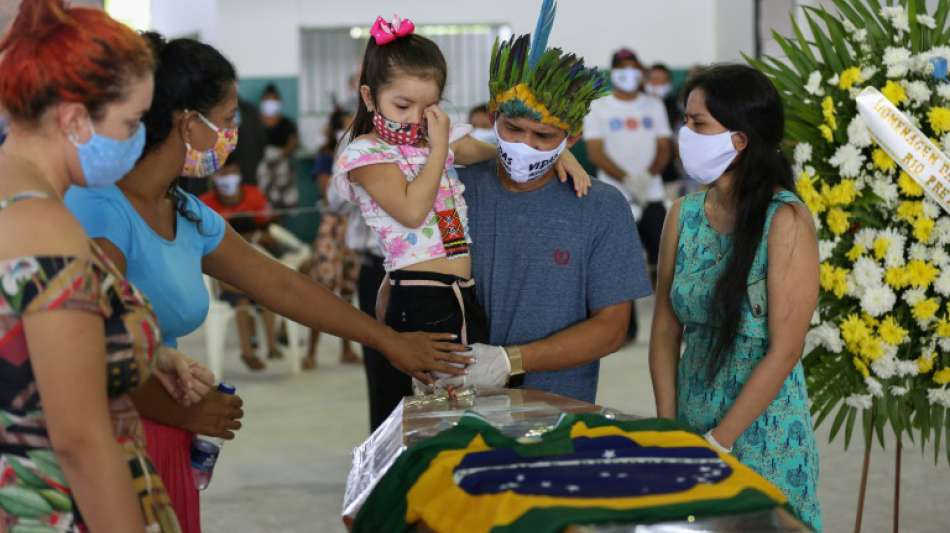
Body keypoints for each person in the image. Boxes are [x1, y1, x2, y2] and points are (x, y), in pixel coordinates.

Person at [66, 32, 471, 532]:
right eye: (230, 117)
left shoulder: (186, 213)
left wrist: (388, 341)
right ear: (189, 124)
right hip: (105, 440)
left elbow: (282, 286)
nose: (235, 131)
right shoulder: (98, 209)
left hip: (166, 436)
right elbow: (81, 353)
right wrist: (182, 412)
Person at [0, 2, 214, 531]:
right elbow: (79, 440)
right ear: (74, 119)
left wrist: (144, 351)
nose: (139, 139)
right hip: (56, 508)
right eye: (132, 122)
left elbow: (24, 343)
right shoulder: (47, 228)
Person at [333, 14, 591, 424]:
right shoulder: (366, 153)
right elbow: (412, 211)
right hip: (423, 294)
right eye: (402, 105)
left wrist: (554, 152)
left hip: (461, 290)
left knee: (467, 408)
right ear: (369, 97)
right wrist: (438, 147)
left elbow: (497, 152)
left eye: (430, 106)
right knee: (444, 415)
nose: (417, 118)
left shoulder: (437, 140)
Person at [437, 1, 652, 404]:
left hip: (559, 415)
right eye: (513, 129)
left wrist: (509, 361)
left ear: (570, 139)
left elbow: (611, 328)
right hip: (455, 406)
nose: (525, 146)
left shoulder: (599, 207)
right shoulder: (455, 193)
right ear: (492, 116)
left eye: (544, 137)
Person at [648, 64, 822, 531]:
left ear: (739, 140)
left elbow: (786, 350)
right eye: (685, 120)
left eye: (699, 124)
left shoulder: (786, 222)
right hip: (691, 415)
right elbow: (665, 329)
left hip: (762, 427)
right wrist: (669, 429)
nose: (686, 133)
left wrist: (720, 442)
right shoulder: (682, 216)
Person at [583, 48, 672, 287]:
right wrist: (627, 179)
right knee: (616, 260)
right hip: (613, 195)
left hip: (651, 193)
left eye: (633, 68)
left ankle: (664, 307)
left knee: (663, 255)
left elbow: (664, 146)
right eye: (622, 69)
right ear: (613, 72)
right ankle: (626, 319)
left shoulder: (654, 105)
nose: (628, 74)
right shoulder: (599, 107)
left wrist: (646, 176)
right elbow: (595, 152)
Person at [200, 155, 283, 370]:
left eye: (233, 172)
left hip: (255, 263)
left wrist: (256, 238)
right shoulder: (205, 204)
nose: (229, 178)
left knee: (267, 297)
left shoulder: (254, 196)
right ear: (214, 177)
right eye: (224, 174)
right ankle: (247, 352)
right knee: (242, 301)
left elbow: (270, 229)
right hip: (224, 270)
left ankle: (272, 345)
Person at [307, 108, 360, 369]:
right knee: (324, 287)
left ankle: (347, 349)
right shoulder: (327, 155)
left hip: (356, 225)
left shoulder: (366, 149)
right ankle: (311, 351)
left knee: (349, 288)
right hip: (333, 225)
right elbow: (329, 195)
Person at [645, 63, 685, 201]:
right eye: (653, 80)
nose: (657, 85)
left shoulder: (678, 110)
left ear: (670, 83)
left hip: (670, 177)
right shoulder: (636, 108)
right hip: (639, 176)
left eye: (662, 81)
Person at [258, 83, 299, 212]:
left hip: (282, 165)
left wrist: (280, 156)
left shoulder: (287, 123)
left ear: (279, 102)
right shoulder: (256, 122)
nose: (270, 103)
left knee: (282, 199)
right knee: (264, 200)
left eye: (273, 100)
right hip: (261, 166)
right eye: (267, 100)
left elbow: (293, 143)